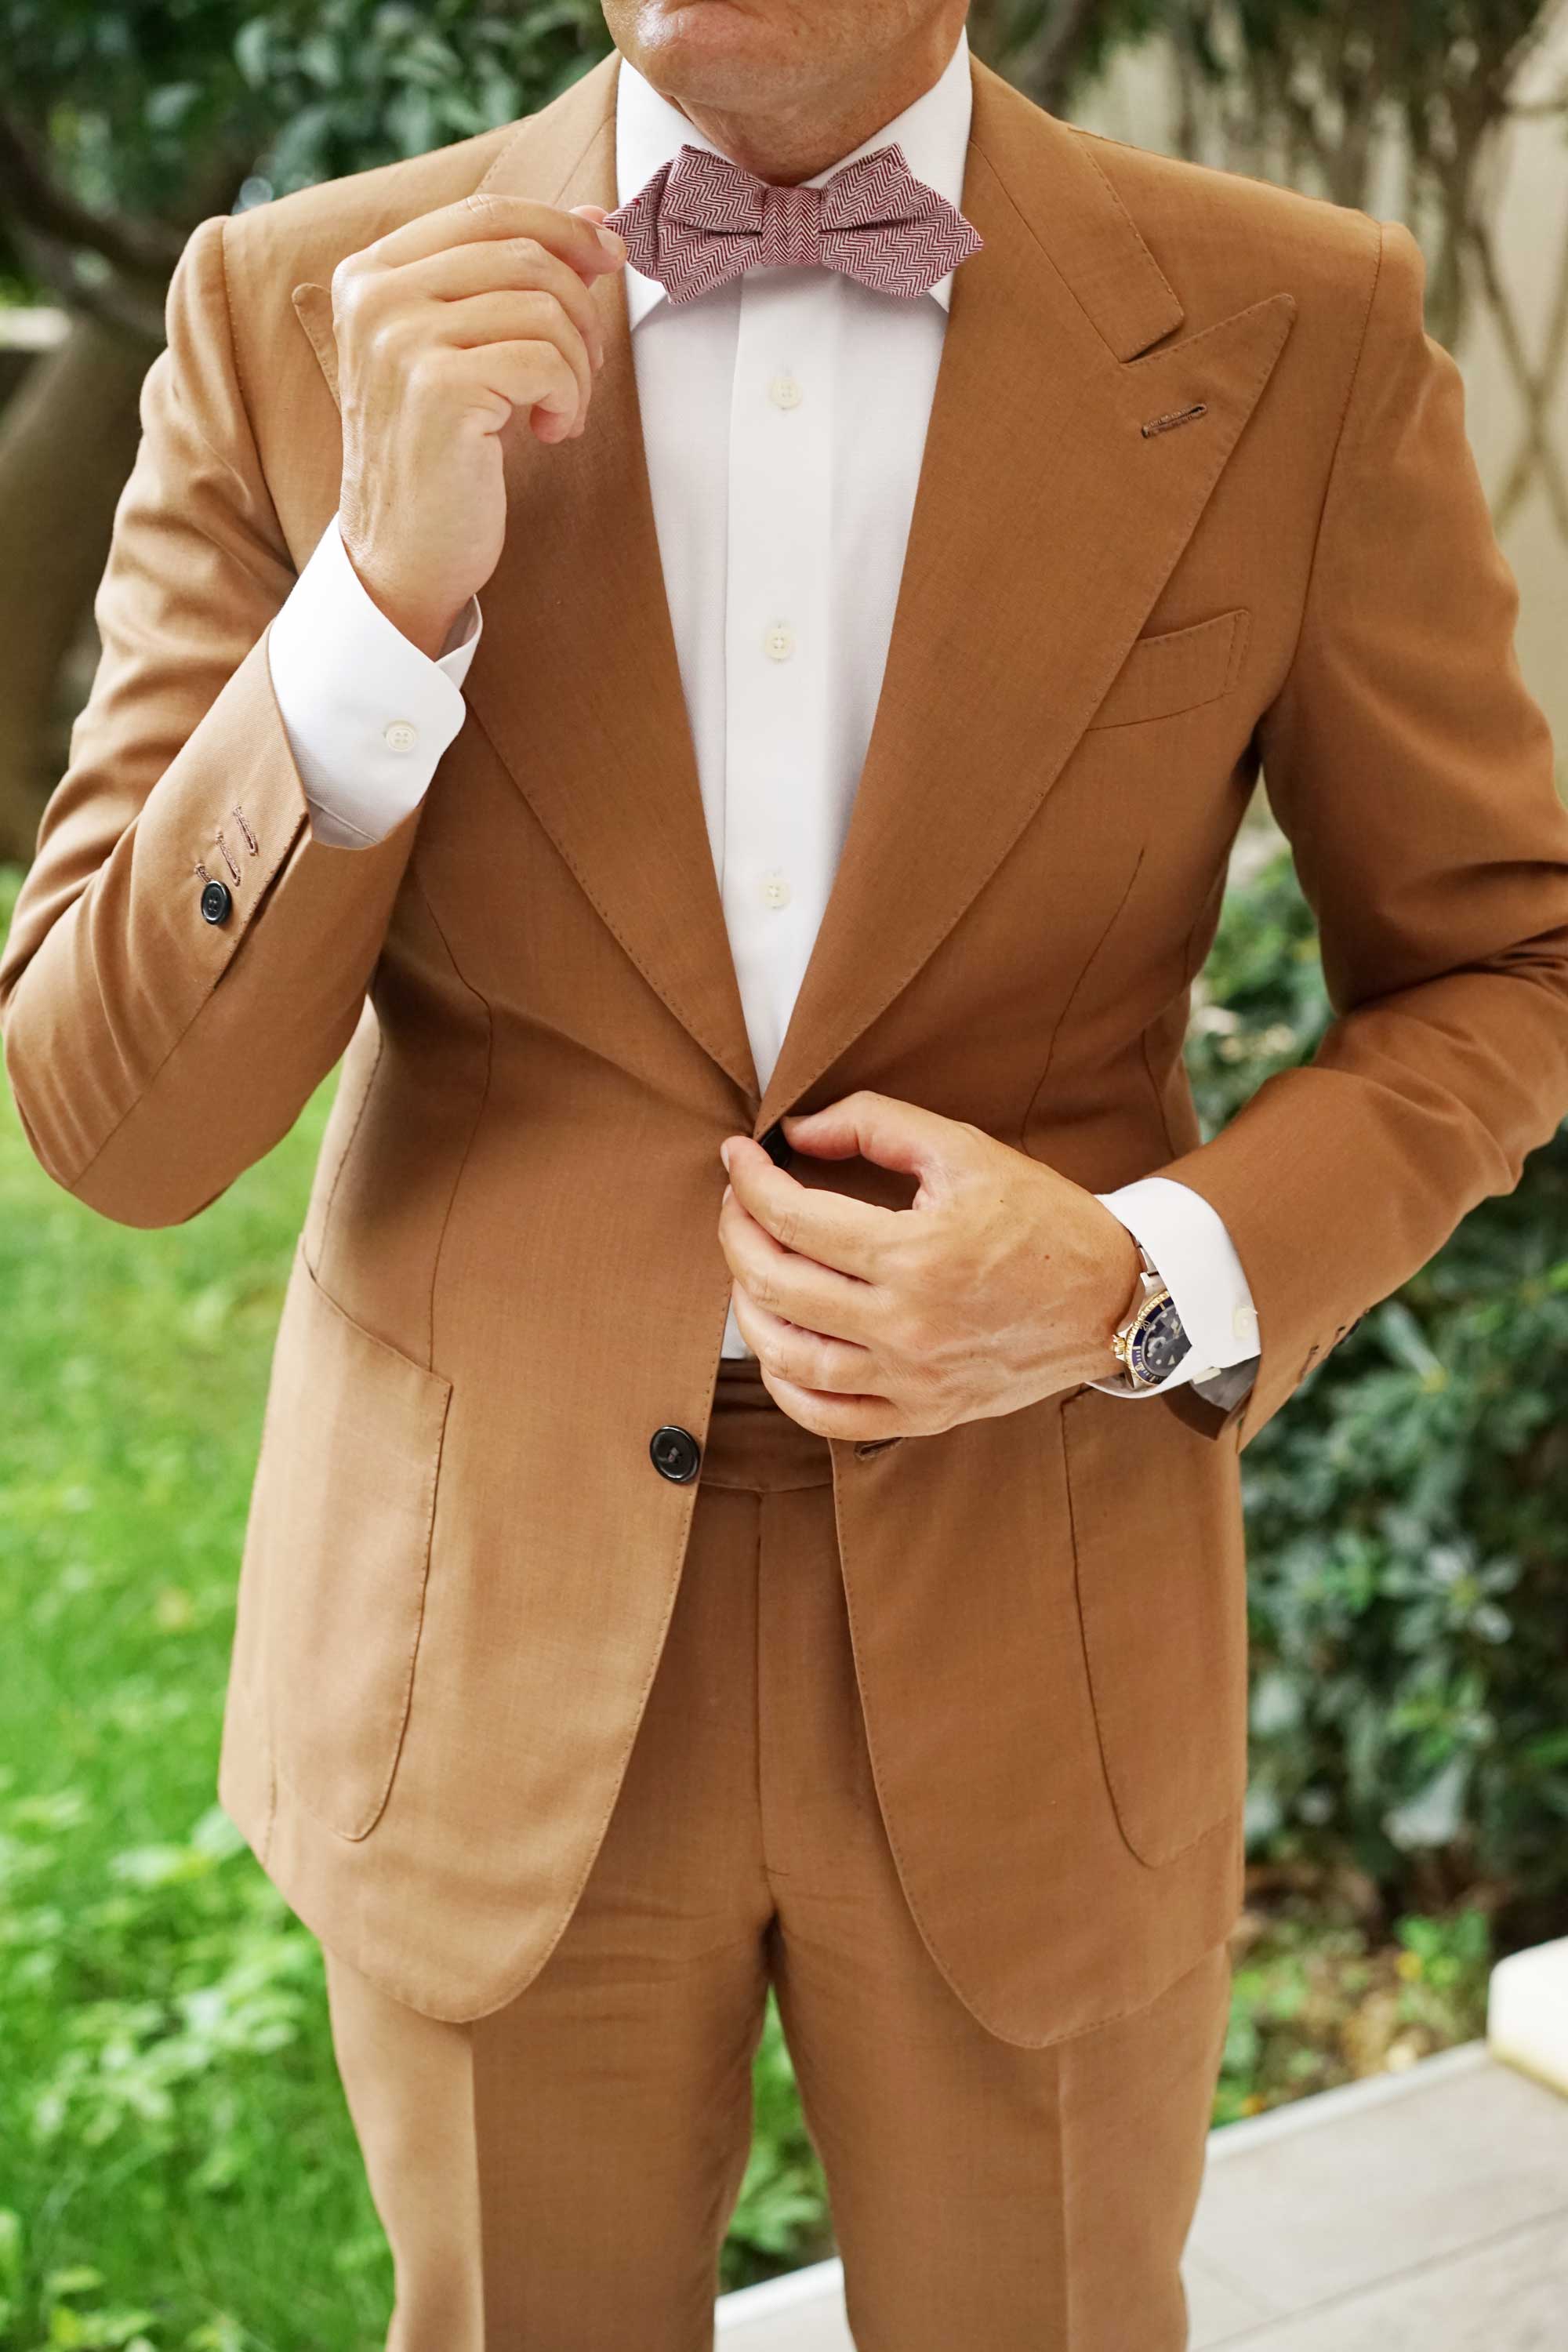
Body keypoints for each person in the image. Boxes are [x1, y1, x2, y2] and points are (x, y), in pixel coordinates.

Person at [3, 2, 1566, 2343]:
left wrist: (1142, 1274)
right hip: (488, 1635)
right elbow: (114, 1125)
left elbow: (1504, 967)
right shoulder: (290, 311)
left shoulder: (1293, 326)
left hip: (1037, 1606)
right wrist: (374, 607)